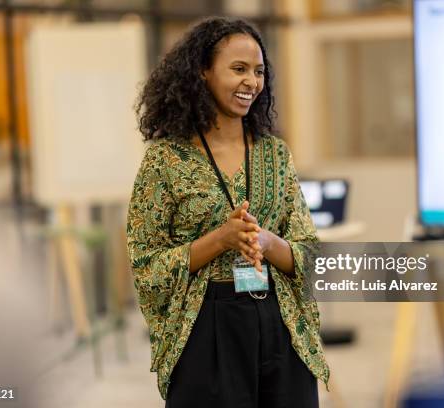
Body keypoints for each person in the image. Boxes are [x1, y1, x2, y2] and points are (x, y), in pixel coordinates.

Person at [127, 17, 329, 407]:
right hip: (205, 330)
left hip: (280, 324)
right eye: (238, 69)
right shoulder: (165, 161)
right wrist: (219, 240)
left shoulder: (275, 154)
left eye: (258, 72)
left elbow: (312, 256)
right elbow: (146, 266)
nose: (251, 82)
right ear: (202, 72)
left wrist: (269, 243)